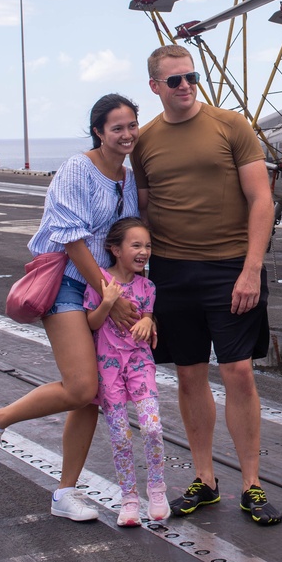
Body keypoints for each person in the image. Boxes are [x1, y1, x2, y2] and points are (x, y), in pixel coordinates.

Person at [130, 44, 281, 526]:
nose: (185, 85)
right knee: (190, 374)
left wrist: (252, 268)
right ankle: (205, 480)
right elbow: (143, 210)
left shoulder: (231, 125)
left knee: (239, 372)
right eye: (174, 80)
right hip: (172, 273)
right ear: (155, 86)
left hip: (231, 267)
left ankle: (252, 485)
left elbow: (261, 199)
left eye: (191, 76)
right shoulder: (144, 141)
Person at [0, 93, 142, 521]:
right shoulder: (76, 169)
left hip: (103, 291)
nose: (126, 134)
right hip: (69, 283)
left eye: (131, 126)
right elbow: (73, 240)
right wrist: (111, 294)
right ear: (98, 132)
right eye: (116, 127)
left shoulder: (128, 177)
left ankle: (65, 493)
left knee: (91, 398)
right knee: (82, 387)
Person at [84, 217, 169, 527]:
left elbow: (146, 315)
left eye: (147, 246)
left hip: (139, 363)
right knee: (120, 435)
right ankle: (129, 498)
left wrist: (149, 320)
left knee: (152, 428)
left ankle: (157, 489)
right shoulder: (102, 281)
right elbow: (91, 323)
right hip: (108, 368)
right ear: (115, 250)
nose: (144, 251)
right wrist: (107, 302)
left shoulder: (147, 286)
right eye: (136, 245)